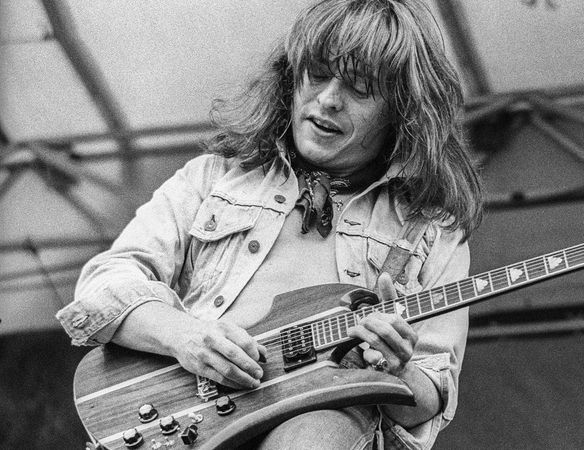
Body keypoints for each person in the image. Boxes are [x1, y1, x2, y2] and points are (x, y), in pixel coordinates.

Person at [56, 0, 483, 448]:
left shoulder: (434, 231)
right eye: (317, 74)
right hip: (187, 423)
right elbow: (105, 283)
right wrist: (186, 336)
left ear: (402, 111)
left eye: (359, 88)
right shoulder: (214, 176)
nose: (327, 99)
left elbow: (434, 390)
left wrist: (398, 371)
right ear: (289, 76)